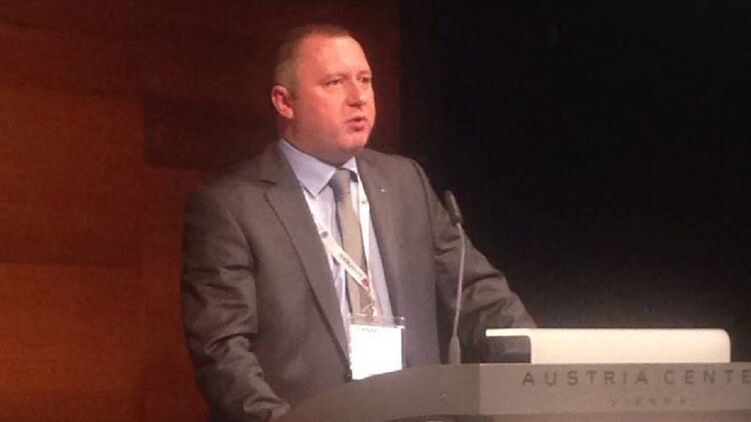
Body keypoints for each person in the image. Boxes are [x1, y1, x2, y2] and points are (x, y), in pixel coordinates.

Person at [181, 24, 535, 421]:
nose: (358, 97)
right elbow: (222, 350)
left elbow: (474, 292)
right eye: (335, 83)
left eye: (365, 80)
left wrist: (541, 365)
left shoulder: (405, 182)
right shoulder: (231, 205)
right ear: (284, 102)